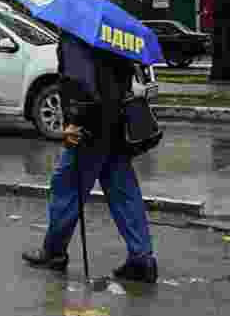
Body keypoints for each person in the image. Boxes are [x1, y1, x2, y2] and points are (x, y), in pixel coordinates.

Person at [21, 31, 158, 283]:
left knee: (66, 189)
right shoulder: (115, 36)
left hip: (89, 129)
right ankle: (142, 258)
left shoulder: (75, 37)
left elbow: (78, 83)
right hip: (116, 125)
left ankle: (53, 252)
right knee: (124, 193)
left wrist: (73, 122)